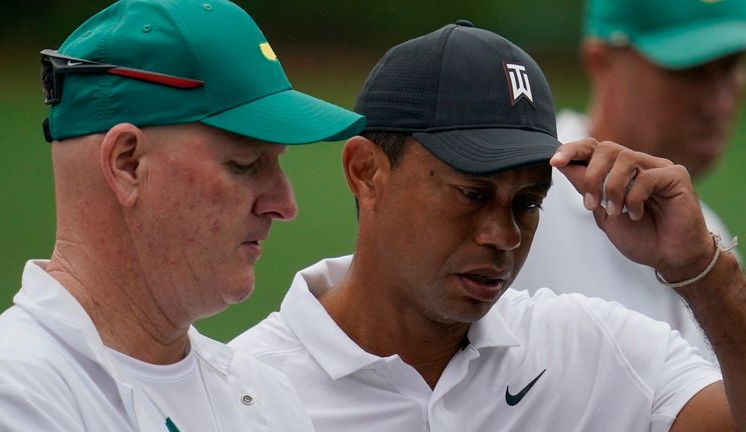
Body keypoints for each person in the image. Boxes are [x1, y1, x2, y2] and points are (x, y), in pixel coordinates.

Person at [231, 22, 746, 431]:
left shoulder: (592, 348)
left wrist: (703, 270)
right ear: (366, 171)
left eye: (526, 204)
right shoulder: (241, 394)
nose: (503, 236)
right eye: (472, 195)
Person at [0, 0, 365, 430]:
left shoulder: (265, 397)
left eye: (278, 162)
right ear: (127, 164)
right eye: (244, 164)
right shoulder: (3, 395)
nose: (284, 204)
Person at [512, 0, 746, 361]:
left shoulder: (707, 233)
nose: (717, 102)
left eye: (729, 67)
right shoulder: (519, 199)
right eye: (691, 71)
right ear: (599, 61)